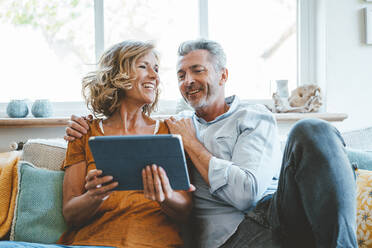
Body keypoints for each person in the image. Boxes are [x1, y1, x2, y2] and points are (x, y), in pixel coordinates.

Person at [66, 39, 357, 248]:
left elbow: (248, 195)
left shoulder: (248, 118)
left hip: (277, 214)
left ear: (223, 75)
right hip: (232, 238)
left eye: (197, 70)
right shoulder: (175, 125)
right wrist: (83, 129)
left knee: (312, 129)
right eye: (181, 75)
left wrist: (191, 145)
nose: (187, 81)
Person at [0, 40, 194, 248]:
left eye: (156, 69)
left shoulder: (169, 132)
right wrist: (94, 196)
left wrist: (165, 196)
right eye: (143, 66)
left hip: (152, 242)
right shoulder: (84, 133)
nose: (155, 77)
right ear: (117, 75)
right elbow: (71, 214)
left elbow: (186, 212)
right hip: (91, 242)